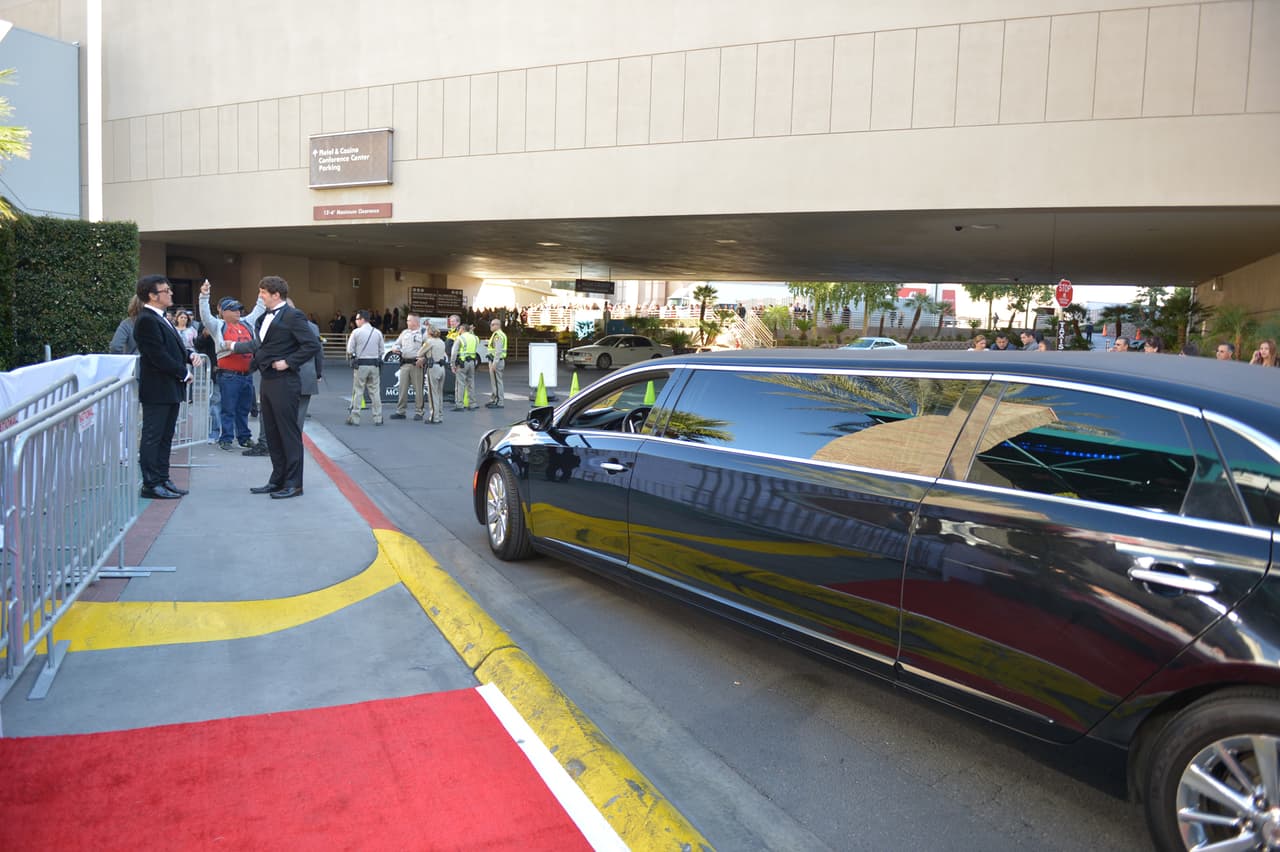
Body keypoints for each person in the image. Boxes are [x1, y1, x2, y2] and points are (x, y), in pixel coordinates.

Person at [246, 275, 319, 499]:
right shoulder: (263, 318)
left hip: (286, 381)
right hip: (268, 380)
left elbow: (312, 344)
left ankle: (294, 484)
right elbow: (262, 345)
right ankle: (277, 479)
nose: (260, 297)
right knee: (272, 432)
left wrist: (288, 362)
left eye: (263, 293)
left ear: (276, 294)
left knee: (288, 433)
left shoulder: (293, 315)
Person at [133, 275, 200, 500]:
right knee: (153, 436)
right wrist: (183, 372)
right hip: (158, 388)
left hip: (169, 388)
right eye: (166, 290)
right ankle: (151, 483)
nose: (171, 293)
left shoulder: (162, 318)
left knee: (165, 436)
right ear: (153, 296)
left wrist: (189, 355)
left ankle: (162, 477)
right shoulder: (147, 320)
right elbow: (157, 355)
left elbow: (174, 347)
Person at [198, 280, 266, 451]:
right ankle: (226, 438)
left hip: (246, 374)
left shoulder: (246, 323)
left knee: (243, 409)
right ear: (224, 312)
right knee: (228, 408)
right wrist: (204, 296)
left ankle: (243, 437)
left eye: (239, 309)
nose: (238, 312)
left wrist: (261, 296)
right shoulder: (217, 325)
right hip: (229, 375)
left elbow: (259, 310)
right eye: (234, 309)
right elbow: (205, 315)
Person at [345, 310, 384, 426]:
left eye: (357, 319)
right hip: (374, 365)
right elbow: (382, 350)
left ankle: (355, 418)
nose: (356, 321)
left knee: (358, 391)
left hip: (361, 365)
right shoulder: (377, 333)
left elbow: (349, 350)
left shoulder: (356, 332)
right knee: (375, 392)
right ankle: (378, 418)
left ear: (362, 319)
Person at [389, 313, 427, 420]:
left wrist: (424, 359)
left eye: (409, 320)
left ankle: (419, 412)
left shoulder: (423, 333)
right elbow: (396, 343)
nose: (407, 322)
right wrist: (395, 348)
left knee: (418, 389)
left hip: (416, 364)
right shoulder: (404, 332)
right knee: (402, 388)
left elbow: (429, 348)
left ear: (415, 322)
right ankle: (401, 411)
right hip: (404, 363)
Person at [451, 322, 481, 410]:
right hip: (472, 363)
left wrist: (452, 364)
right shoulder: (475, 338)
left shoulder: (460, 338)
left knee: (460, 383)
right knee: (471, 383)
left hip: (462, 363)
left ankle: (459, 404)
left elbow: (454, 353)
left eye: (459, 329)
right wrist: (472, 331)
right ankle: (472, 403)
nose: (458, 330)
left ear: (463, 329)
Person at [422, 323, 447, 424]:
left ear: (429, 332)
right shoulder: (441, 341)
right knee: (439, 393)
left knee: (433, 394)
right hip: (441, 368)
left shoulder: (429, 342)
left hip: (433, 368)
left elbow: (420, 352)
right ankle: (439, 415)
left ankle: (434, 416)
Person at [485, 317, 508, 408]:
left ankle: (499, 401)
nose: (490, 326)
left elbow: (498, 351)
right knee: (496, 382)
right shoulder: (499, 334)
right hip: (497, 361)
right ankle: (495, 399)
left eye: (492, 324)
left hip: (496, 361)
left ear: (497, 325)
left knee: (497, 382)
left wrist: (494, 363)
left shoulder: (497, 335)